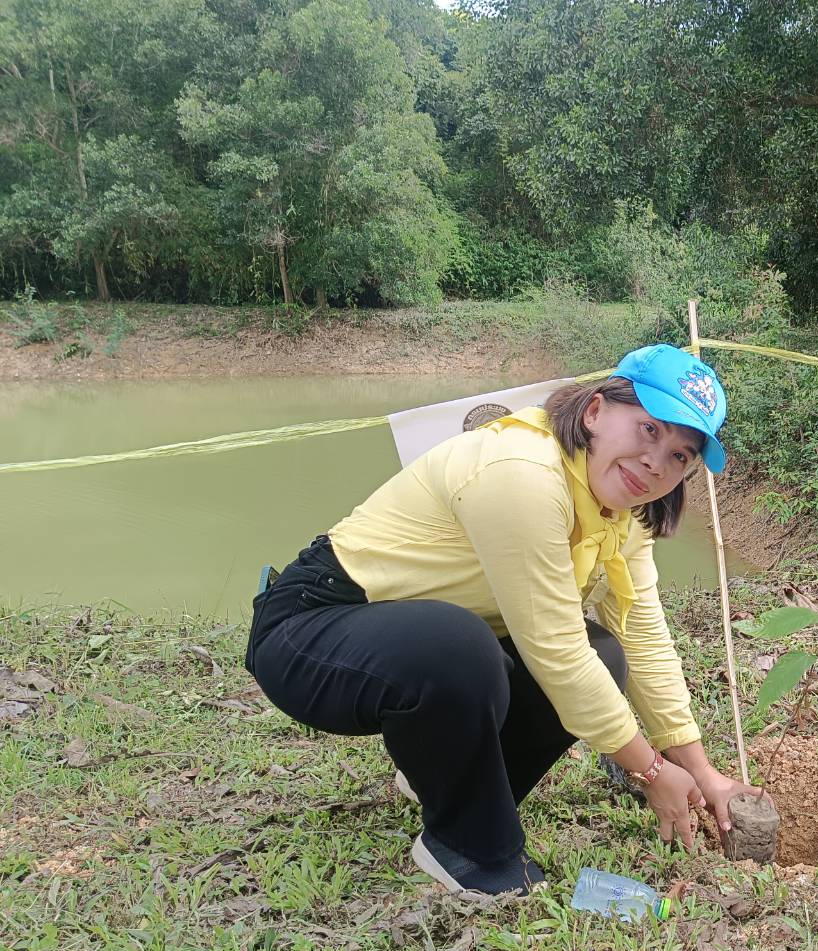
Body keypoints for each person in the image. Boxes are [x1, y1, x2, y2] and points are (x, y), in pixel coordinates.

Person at [245, 344, 759, 895]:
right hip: (312, 627)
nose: (659, 463)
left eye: (682, 455)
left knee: (606, 652)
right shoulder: (523, 472)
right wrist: (651, 771)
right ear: (595, 412)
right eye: (650, 430)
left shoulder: (622, 512)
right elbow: (555, 651)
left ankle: (442, 780)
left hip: (419, 638)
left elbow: (643, 634)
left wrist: (700, 770)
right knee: (462, 647)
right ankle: (468, 849)